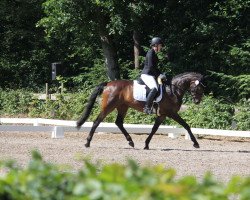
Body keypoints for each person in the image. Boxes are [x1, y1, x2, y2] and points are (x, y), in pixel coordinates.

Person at [140, 37, 164, 114]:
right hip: (147, 74)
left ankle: (156, 105)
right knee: (154, 88)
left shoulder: (154, 53)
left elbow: (155, 67)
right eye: (160, 45)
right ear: (156, 45)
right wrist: (158, 75)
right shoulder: (150, 53)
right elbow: (151, 66)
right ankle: (146, 107)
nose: (161, 47)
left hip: (151, 74)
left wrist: (161, 74)